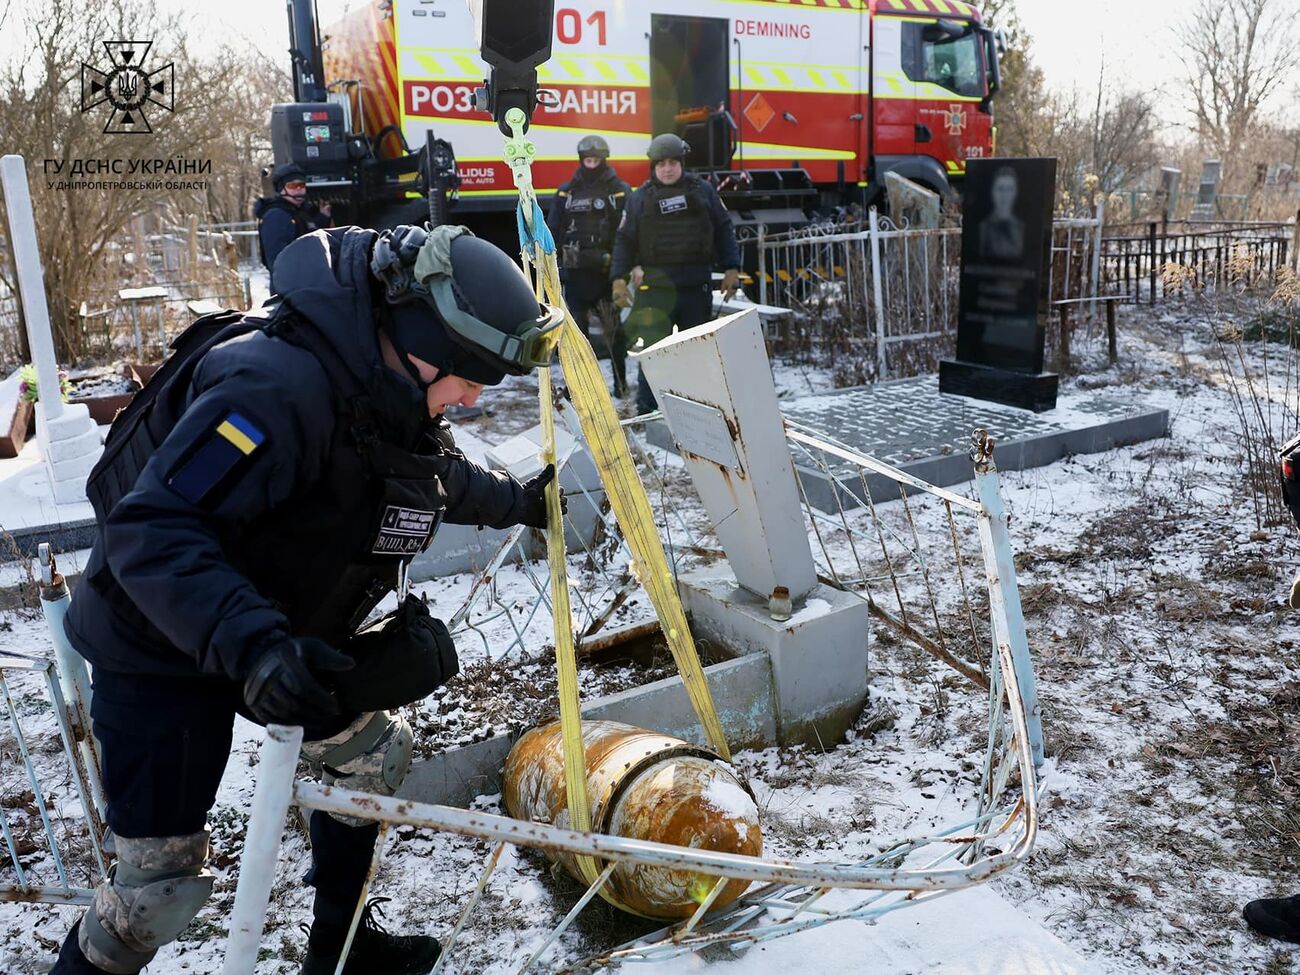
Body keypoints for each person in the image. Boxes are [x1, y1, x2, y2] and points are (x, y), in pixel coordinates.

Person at [50, 223, 565, 975]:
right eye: (466, 375)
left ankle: (341, 950)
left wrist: (521, 502)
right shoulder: (273, 388)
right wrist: (256, 644)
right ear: (418, 341)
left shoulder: (387, 390)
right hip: (159, 636)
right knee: (153, 895)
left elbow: (432, 477)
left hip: (267, 631)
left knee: (370, 760)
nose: (474, 396)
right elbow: (151, 529)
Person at [610, 133, 742, 414]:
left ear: (682, 163)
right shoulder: (639, 198)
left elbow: (724, 228)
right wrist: (618, 278)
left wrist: (732, 267)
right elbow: (624, 239)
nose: (667, 169)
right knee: (654, 354)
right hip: (655, 292)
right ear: (653, 166)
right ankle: (648, 413)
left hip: (696, 288)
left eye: (672, 163)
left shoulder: (703, 191)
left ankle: (699, 411)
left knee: (696, 354)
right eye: (661, 164)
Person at [546, 134, 631, 395]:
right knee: (576, 338)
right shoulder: (566, 192)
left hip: (606, 278)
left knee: (614, 335)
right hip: (576, 278)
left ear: (604, 159)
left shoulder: (619, 191)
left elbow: (627, 234)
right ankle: (579, 389)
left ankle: (621, 384)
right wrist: (555, 268)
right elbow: (553, 231)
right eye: (588, 159)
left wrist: (622, 271)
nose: (592, 163)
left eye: (596, 159)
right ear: (581, 159)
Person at [254, 163, 334, 272]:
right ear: (281, 189)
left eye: (301, 185)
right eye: (292, 186)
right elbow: (278, 260)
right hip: (292, 279)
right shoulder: (276, 215)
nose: (298, 189)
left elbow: (309, 237)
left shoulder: (300, 212)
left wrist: (323, 217)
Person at [978, 166, 1025, 260]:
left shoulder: (1022, 228)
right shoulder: (982, 228)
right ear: (992, 191)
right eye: (1000, 189)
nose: (1004, 196)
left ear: (1015, 192)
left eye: (1009, 189)